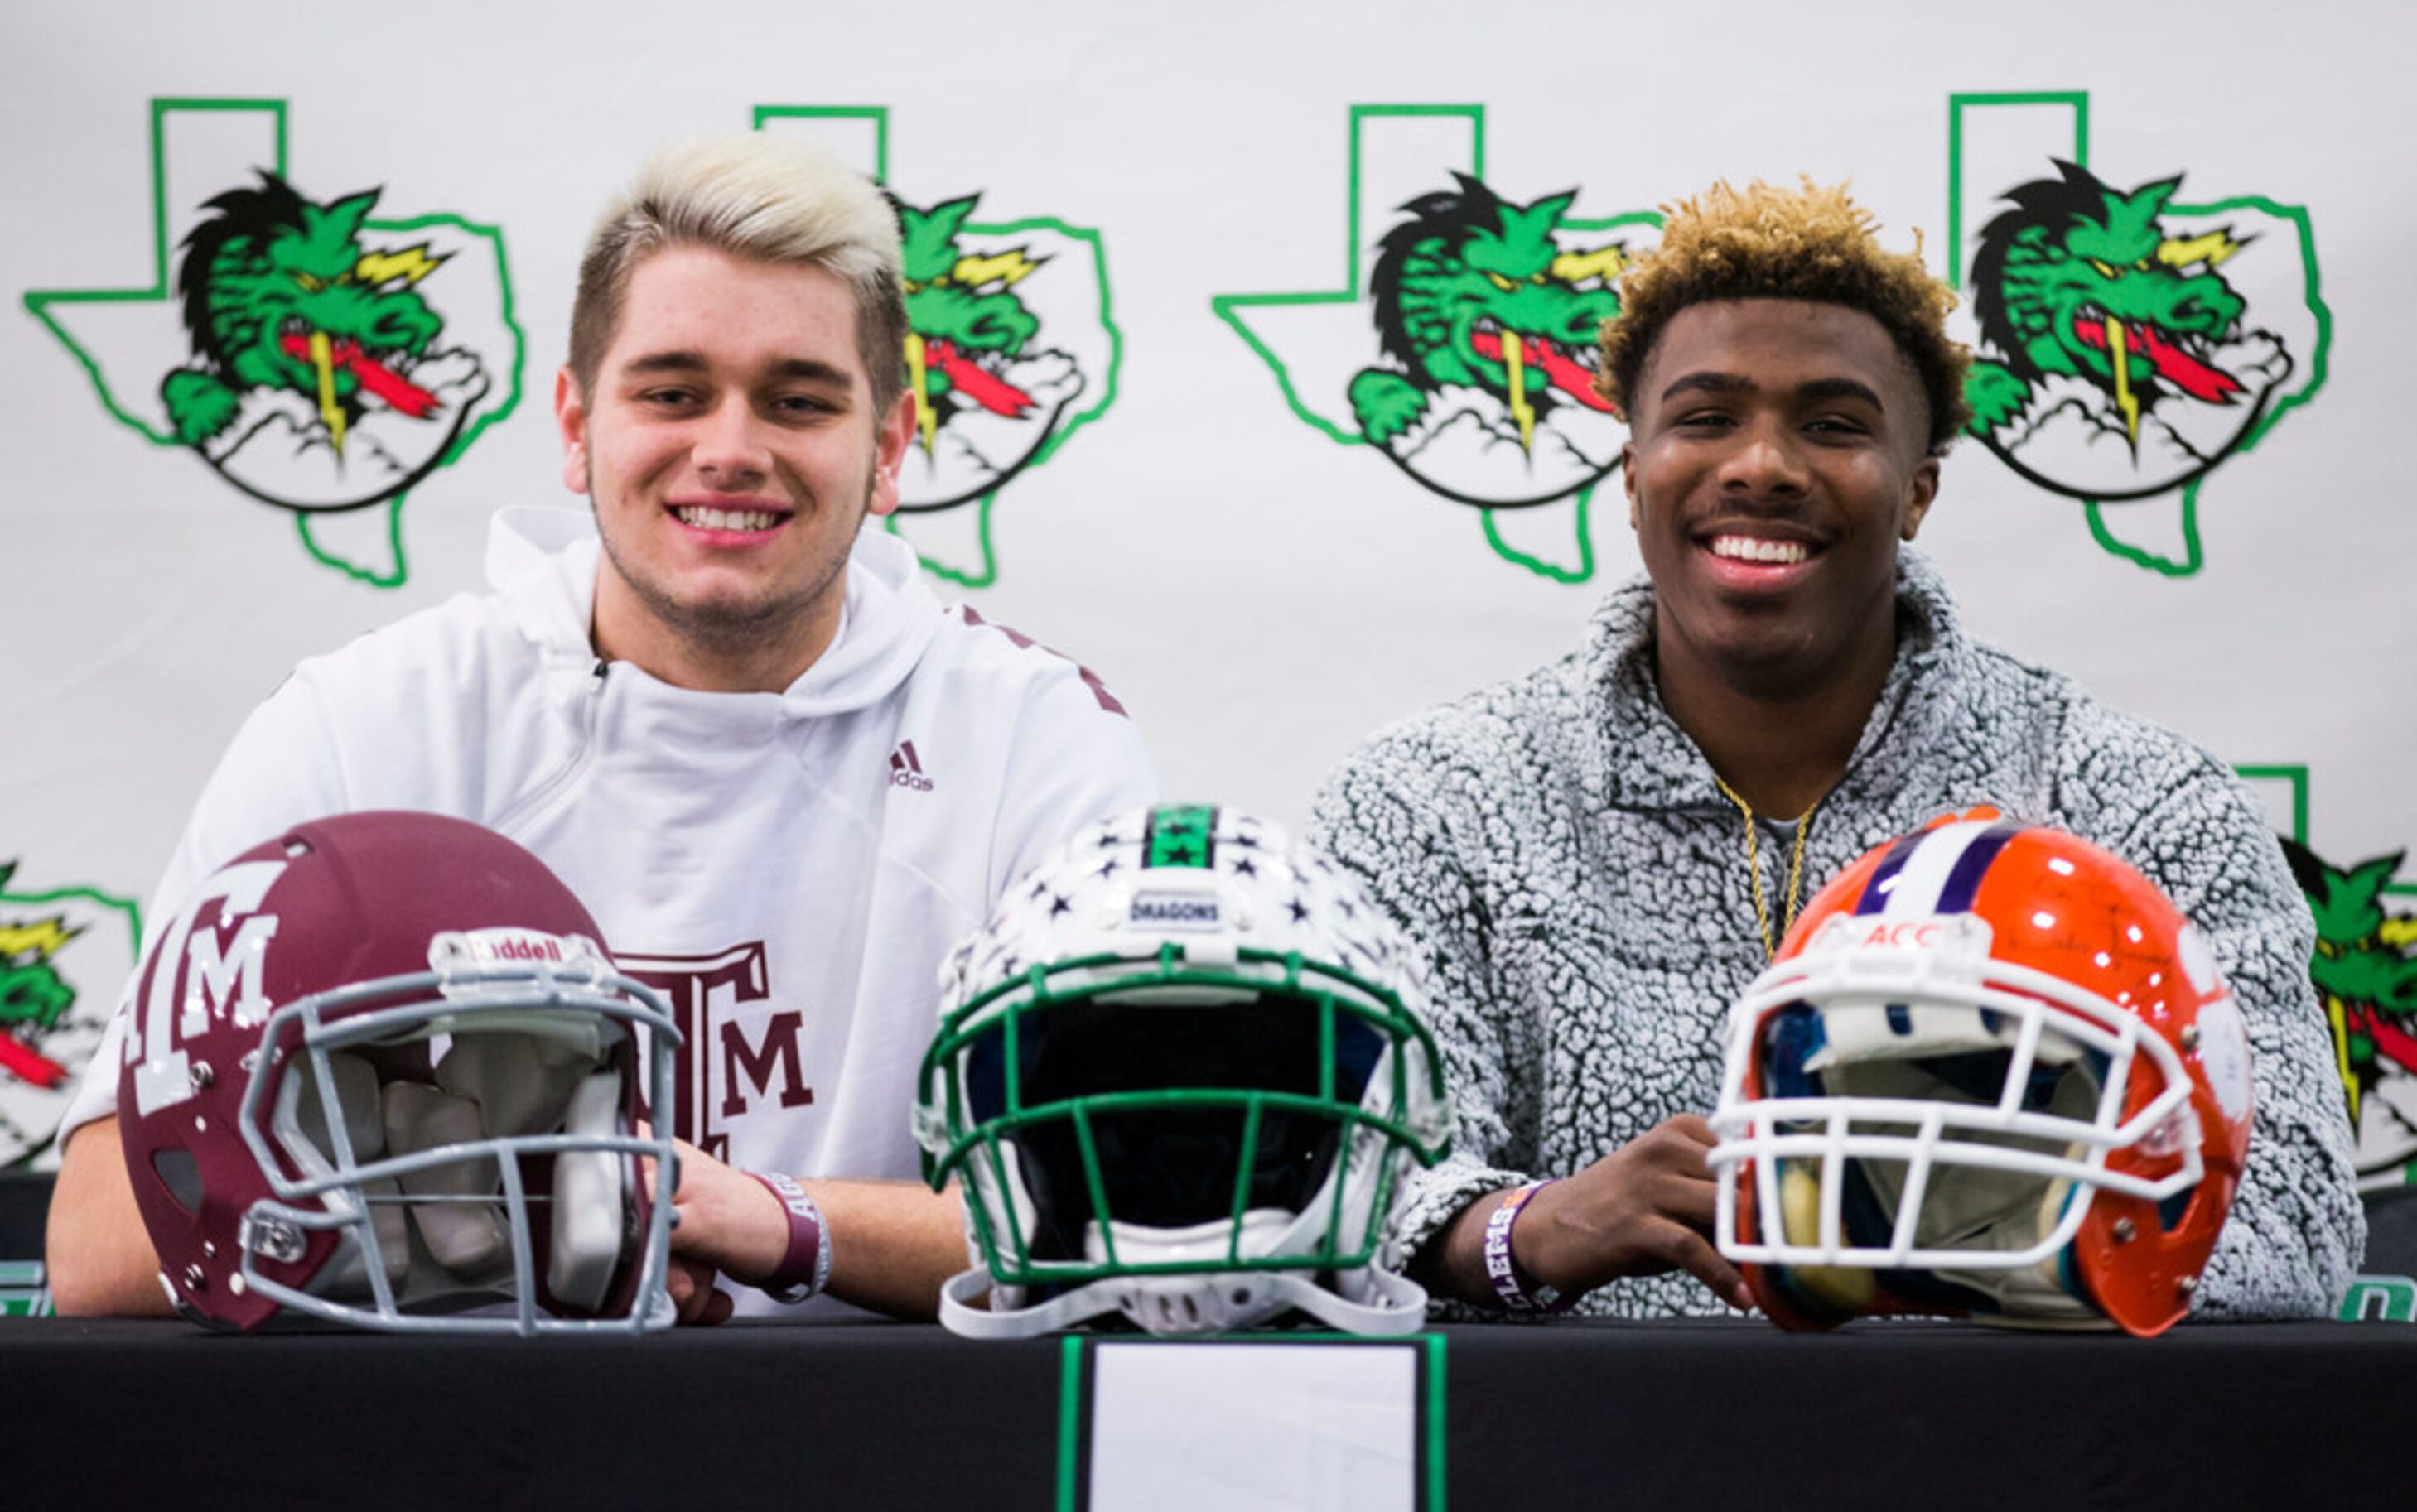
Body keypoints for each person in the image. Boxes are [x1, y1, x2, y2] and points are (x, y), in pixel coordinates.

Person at [46, 132, 1157, 1322]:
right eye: (672, 391)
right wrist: (497, 1242)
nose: (729, 449)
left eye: (798, 399)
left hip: (884, 1468)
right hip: (459, 1467)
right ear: (576, 426)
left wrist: (770, 1220)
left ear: (885, 448)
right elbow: (103, 1232)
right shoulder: (369, 721)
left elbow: (1146, 1213)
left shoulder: (1026, 739)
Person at [1310, 178, 2363, 1322]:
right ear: (1629, 473)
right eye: (1705, 416)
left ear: (1915, 493)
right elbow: (1333, 1198)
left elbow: (2292, 1220)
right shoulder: (1429, 801)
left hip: (2008, 1477)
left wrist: (1914, 1215)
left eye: (1832, 423)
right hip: (1581, 1480)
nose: (1761, 463)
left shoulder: (2136, 809)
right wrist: (1527, 1229)